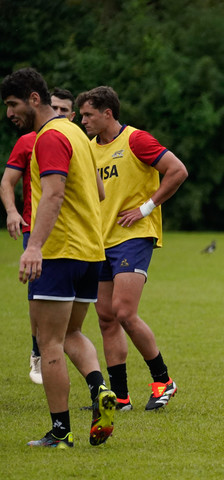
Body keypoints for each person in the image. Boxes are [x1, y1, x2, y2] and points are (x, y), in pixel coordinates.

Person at [1, 68, 117, 448]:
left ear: (35, 98)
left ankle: (61, 431)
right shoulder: (77, 134)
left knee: (48, 341)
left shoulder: (49, 137)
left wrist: (34, 247)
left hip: (59, 251)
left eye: (13, 104)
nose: (9, 113)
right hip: (90, 251)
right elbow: (99, 191)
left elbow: (51, 195)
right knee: (71, 333)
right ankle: (101, 388)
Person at [76, 86, 188, 411]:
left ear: (107, 113)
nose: (83, 121)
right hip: (100, 240)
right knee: (106, 318)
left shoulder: (136, 140)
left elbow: (178, 170)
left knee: (124, 312)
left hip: (134, 235)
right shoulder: (86, 148)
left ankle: (163, 380)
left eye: (88, 115)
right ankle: (121, 397)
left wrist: (146, 208)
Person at [1, 87, 79, 385]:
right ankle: (39, 354)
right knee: (38, 299)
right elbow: (7, 182)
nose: (58, 114)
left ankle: (77, 373)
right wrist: (11, 211)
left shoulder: (75, 141)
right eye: (54, 108)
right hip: (37, 232)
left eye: (64, 111)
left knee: (72, 316)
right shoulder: (28, 141)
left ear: (71, 116)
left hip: (74, 235)